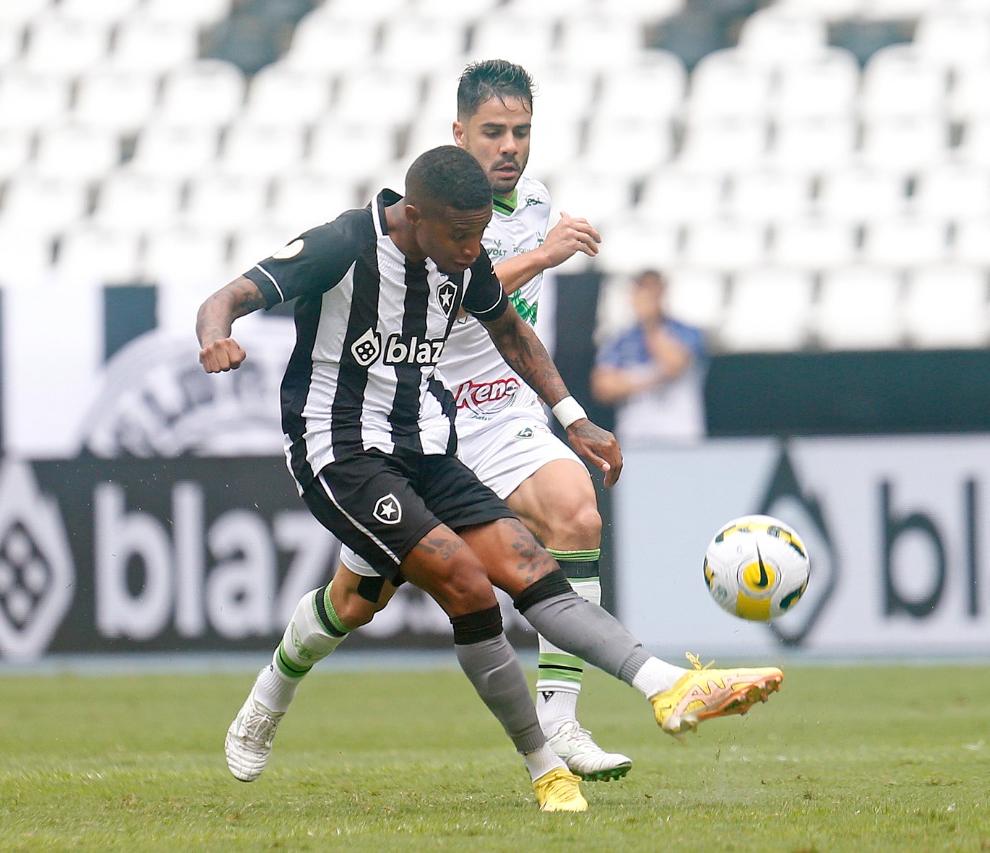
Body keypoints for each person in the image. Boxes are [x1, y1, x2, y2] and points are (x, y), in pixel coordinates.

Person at [198, 144, 784, 813]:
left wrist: (574, 418)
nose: (474, 249)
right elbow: (230, 296)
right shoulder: (342, 244)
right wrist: (217, 336)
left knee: (491, 573)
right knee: (466, 581)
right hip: (342, 453)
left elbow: (510, 330)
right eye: (460, 235)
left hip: (424, 446)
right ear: (414, 216)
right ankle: (544, 767)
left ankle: (667, 684)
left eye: (480, 235)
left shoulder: (458, 253)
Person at [223, 59, 632, 785]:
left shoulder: (536, 202)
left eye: (522, 132)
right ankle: (272, 689)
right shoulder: (422, 213)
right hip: (416, 419)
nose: (510, 147)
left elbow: (505, 324)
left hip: (498, 410)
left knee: (577, 515)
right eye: (494, 131)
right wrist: (541, 256)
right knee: (355, 603)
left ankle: (560, 721)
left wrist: (570, 414)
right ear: (458, 133)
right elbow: (458, 291)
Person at [591, 270, 708, 445]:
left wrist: (651, 324)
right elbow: (603, 388)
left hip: (681, 435)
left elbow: (674, 365)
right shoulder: (620, 339)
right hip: (635, 436)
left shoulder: (687, 331)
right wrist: (653, 378)